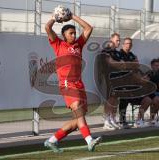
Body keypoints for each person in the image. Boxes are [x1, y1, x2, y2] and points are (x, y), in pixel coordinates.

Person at [44, 8, 101, 152]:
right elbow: (47, 27)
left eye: (75, 33)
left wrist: (72, 16)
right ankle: (89, 140)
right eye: (71, 33)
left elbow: (89, 28)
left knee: (77, 121)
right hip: (67, 84)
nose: (74, 35)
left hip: (79, 84)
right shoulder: (58, 44)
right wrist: (55, 17)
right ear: (64, 35)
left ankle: (52, 140)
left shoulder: (78, 45)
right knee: (78, 111)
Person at [101, 33, 122, 130]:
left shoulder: (117, 53)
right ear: (111, 40)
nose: (119, 42)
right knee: (109, 99)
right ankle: (106, 121)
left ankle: (113, 119)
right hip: (109, 78)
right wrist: (120, 64)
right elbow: (110, 62)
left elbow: (122, 64)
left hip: (118, 78)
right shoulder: (106, 51)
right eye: (117, 40)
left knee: (115, 99)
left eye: (119, 40)